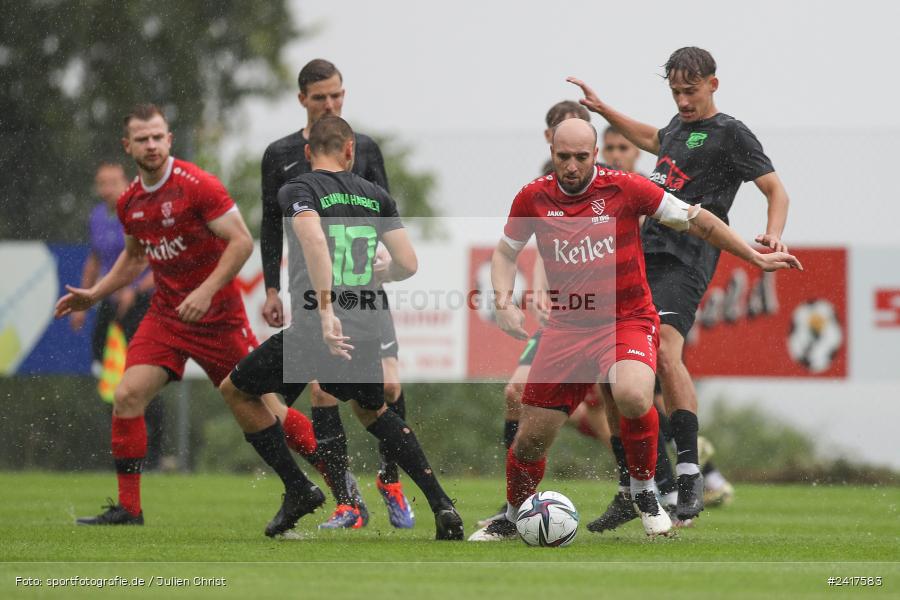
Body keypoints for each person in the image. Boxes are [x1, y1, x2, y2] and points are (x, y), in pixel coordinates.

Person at [467, 118, 800, 541]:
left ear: (595, 154)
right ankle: (513, 515)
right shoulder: (533, 196)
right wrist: (503, 302)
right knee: (531, 439)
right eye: (563, 157)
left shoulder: (625, 188)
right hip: (568, 328)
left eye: (581, 157)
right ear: (553, 153)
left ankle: (645, 492)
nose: (572, 166)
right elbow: (505, 253)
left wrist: (753, 256)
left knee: (632, 393)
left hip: (627, 319)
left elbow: (698, 219)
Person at [56, 105, 322, 531]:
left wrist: (205, 290)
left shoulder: (198, 185)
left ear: (169, 139)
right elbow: (134, 258)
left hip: (218, 317)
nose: (151, 145)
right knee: (127, 395)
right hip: (168, 316)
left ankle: (340, 486)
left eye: (157, 136)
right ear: (128, 146)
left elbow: (241, 242)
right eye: (142, 139)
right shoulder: (130, 202)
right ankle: (129, 509)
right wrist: (94, 294)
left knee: (269, 405)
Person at [568, 46, 790, 524]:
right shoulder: (675, 128)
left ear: (713, 84)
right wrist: (604, 110)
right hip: (641, 251)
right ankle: (633, 487)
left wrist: (773, 233)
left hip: (687, 254)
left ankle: (690, 473)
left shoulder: (731, 132)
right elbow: (652, 137)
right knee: (610, 368)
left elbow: (776, 190)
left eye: (691, 91)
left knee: (666, 350)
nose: (683, 101)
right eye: (675, 92)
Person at [220, 116, 464, 540]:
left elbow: (314, 240)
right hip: (366, 325)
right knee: (373, 412)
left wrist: (326, 311)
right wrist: (384, 273)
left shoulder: (299, 189)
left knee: (237, 390)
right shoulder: (375, 195)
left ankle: (299, 489)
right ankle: (442, 504)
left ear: (307, 152)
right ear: (350, 150)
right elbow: (408, 263)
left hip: (319, 325)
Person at [259, 58, 413, 529]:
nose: (330, 103)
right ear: (302, 99)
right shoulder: (281, 155)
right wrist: (271, 287)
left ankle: (390, 480)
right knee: (321, 387)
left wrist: (388, 259)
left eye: (336, 95)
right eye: (320, 97)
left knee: (388, 386)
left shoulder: (362, 147)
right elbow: (271, 223)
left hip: (365, 286)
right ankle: (347, 500)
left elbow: (386, 210)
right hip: (315, 291)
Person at [70, 162, 165, 469]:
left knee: (142, 374)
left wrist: (134, 290)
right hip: (110, 301)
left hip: (143, 302)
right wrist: (83, 300)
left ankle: (154, 455)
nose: (106, 189)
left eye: (112, 182)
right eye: (101, 183)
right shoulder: (97, 216)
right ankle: (121, 445)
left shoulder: (141, 211)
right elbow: (95, 260)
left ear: (126, 182)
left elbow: (159, 261)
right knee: (106, 370)